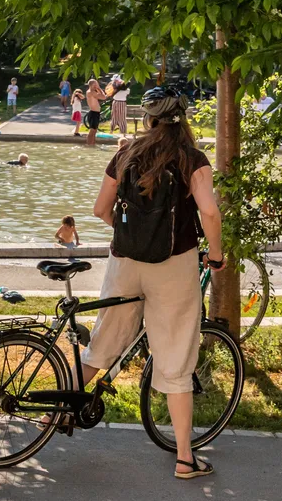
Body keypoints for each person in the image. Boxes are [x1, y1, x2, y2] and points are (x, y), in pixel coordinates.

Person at [79, 86, 226, 480]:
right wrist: (215, 254)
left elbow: (99, 209)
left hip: (124, 260)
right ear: (184, 117)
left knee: (104, 340)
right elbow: (209, 213)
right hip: (173, 264)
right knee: (176, 355)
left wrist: (133, 236)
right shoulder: (191, 159)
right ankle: (183, 458)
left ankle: (54, 414)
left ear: (149, 118)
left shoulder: (126, 153)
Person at [83, 77, 106, 145]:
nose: (97, 85)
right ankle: (89, 145)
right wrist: (99, 88)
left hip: (96, 113)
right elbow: (104, 97)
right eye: (96, 84)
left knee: (94, 131)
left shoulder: (91, 92)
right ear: (93, 85)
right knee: (92, 131)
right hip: (93, 113)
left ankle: (92, 144)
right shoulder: (91, 92)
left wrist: (97, 89)